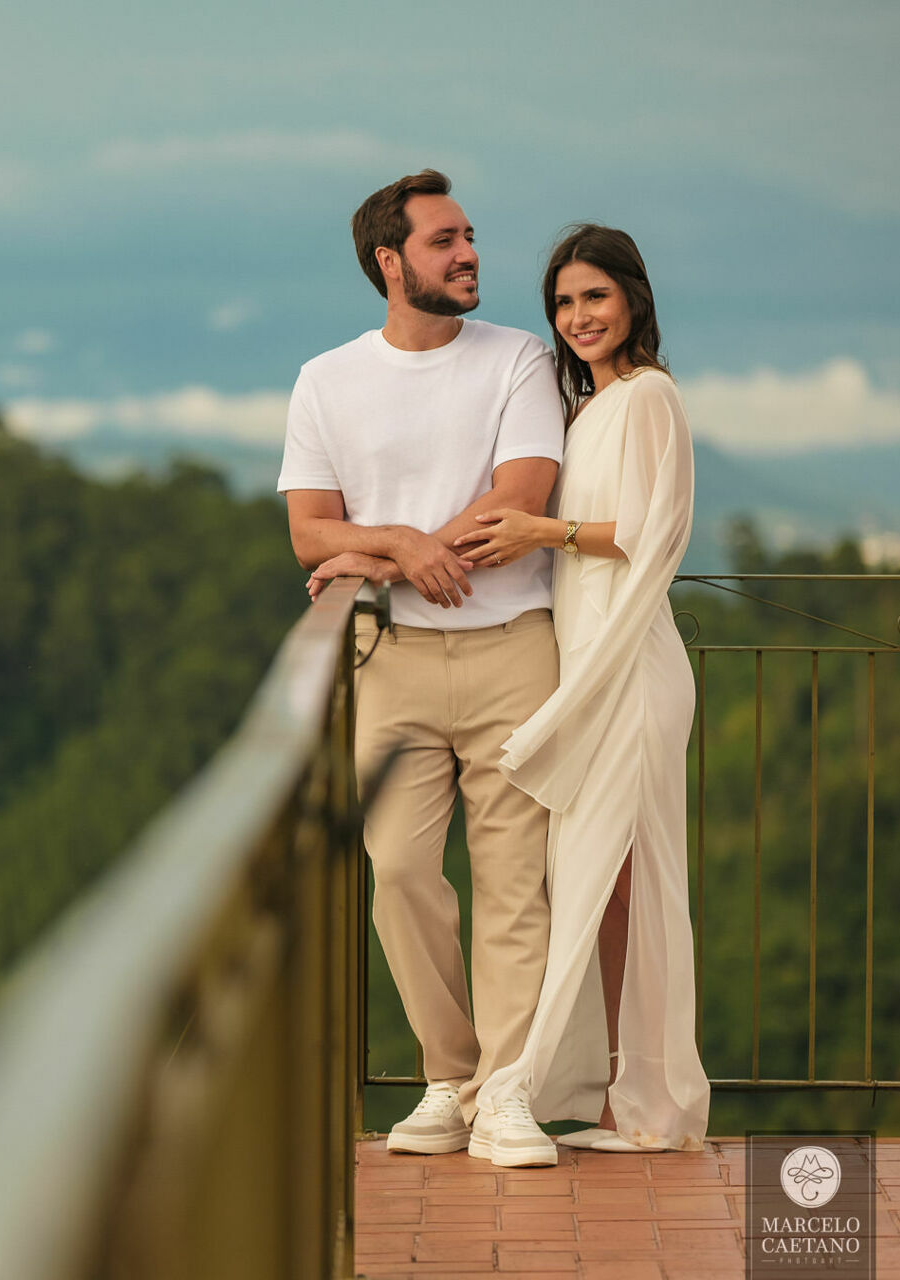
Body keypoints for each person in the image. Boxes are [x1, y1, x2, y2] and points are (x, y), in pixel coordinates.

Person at [280, 169, 570, 1168]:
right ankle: (452, 1075)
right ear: (389, 262)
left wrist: (385, 554)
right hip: (390, 659)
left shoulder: (519, 358)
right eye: (446, 240)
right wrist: (397, 543)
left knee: (513, 881)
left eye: (471, 234)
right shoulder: (327, 378)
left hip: (514, 649)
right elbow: (307, 533)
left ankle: (509, 1093)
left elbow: (518, 497)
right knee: (399, 870)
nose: (470, 252)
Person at [449, 224, 711, 1155]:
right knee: (609, 884)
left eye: (593, 297)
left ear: (633, 298)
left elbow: (652, 534)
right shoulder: (589, 410)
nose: (577, 317)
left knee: (613, 875)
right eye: (563, 303)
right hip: (593, 660)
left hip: (630, 671)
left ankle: (549, 1092)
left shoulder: (649, 398)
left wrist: (543, 533)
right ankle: (630, 1104)